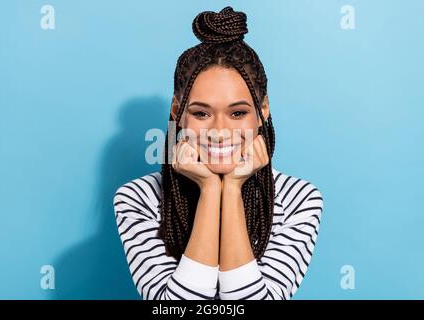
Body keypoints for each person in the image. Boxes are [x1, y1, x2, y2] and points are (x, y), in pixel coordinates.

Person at [113, 6, 324, 300]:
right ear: (178, 112)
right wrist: (211, 188)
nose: (219, 130)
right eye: (201, 113)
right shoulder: (138, 198)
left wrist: (233, 186)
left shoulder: (298, 199)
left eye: (238, 112)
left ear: (263, 111)